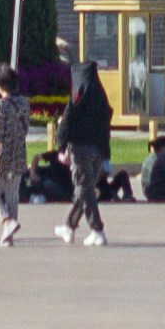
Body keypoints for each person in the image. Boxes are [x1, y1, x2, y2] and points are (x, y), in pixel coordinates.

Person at [54, 66, 112, 246]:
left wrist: (62, 147)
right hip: (99, 148)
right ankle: (69, 226)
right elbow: (108, 117)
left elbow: (67, 120)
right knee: (86, 188)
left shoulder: (78, 95)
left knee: (84, 187)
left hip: (80, 148)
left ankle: (97, 229)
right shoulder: (101, 97)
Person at [0, 65, 33, 246]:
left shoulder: (1, 105)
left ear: (0, 85)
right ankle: (8, 235)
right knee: (12, 192)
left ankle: (7, 221)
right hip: (19, 152)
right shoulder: (24, 103)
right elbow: (25, 128)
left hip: (3, 153)